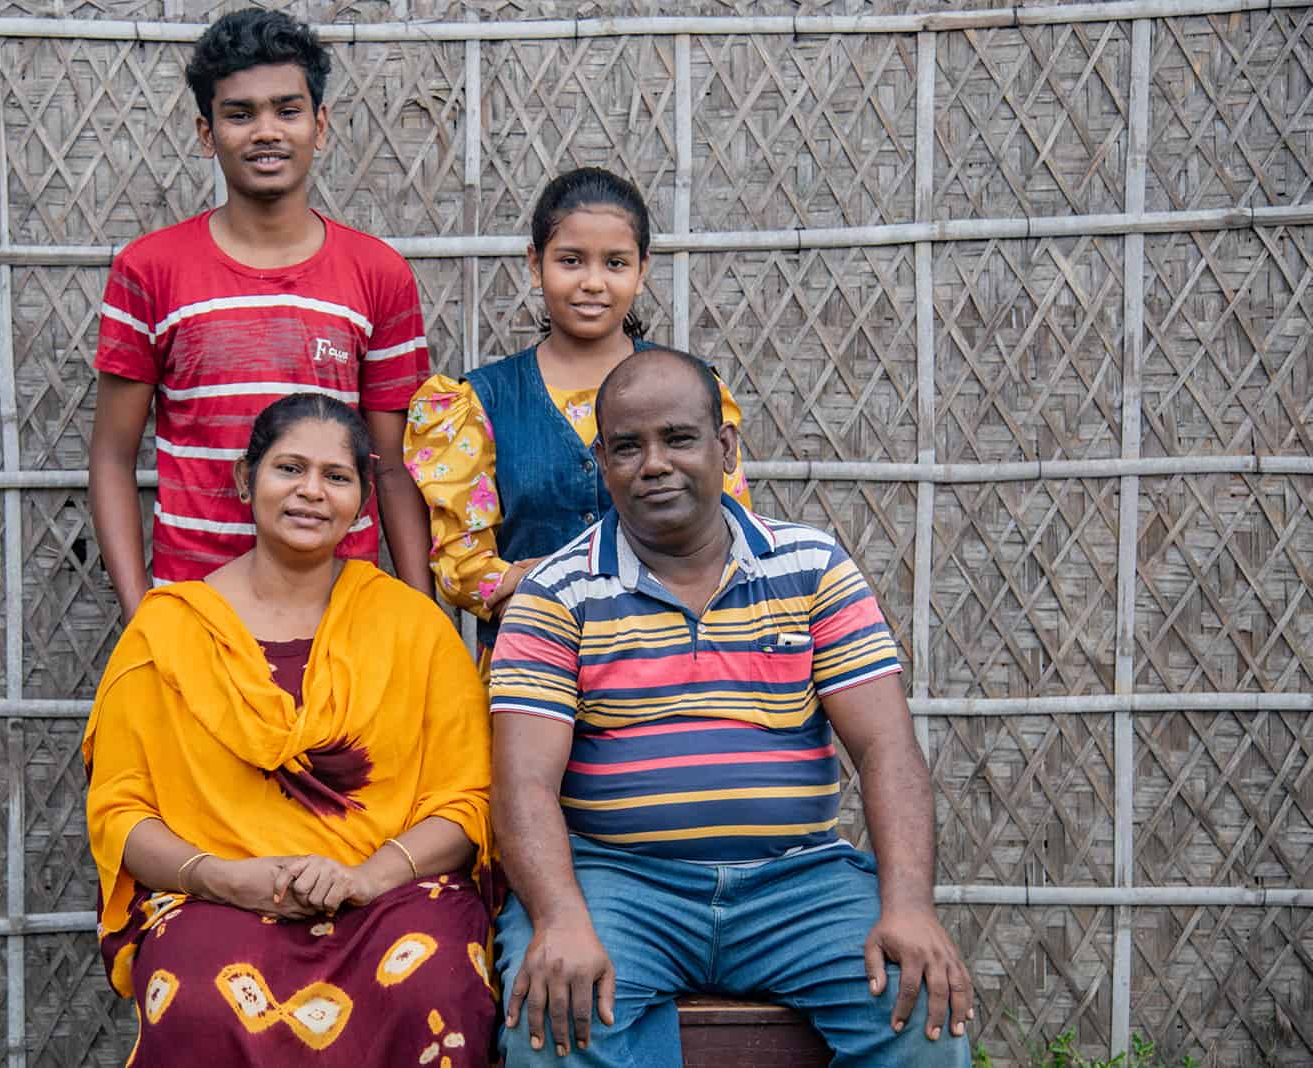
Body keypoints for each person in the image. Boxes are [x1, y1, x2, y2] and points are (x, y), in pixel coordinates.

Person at [488, 347, 973, 1067]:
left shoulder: (810, 568)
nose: (654, 463)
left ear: (725, 446)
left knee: (918, 1015)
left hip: (797, 882)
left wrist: (907, 907)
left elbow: (886, 750)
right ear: (602, 461)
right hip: (620, 885)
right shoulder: (557, 591)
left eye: (678, 438)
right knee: (555, 1028)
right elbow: (521, 782)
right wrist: (559, 917)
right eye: (628, 446)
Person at [83, 393, 495, 1065]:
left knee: (436, 979)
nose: (311, 492)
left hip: (390, 893)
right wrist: (225, 878)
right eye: (289, 469)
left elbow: (466, 802)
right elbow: (121, 815)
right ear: (247, 480)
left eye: (336, 477)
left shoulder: (415, 630)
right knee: (196, 996)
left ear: (363, 500)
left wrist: (366, 877)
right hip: (215, 895)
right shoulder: (167, 632)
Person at [89, 8, 433, 626]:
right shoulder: (149, 270)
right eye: (240, 114)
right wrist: (144, 615)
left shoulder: (379, 274)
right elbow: (113, 457)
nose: (266, 131)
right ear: (206, 131)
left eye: (287, 110)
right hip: (195, 615)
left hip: (341, 619)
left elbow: (392, 466)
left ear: (320, 124)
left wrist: (420, 617)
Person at [404, 167, 751, 657]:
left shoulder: (694, 390)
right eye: (570, 260)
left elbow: (730, 525)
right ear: (534, 263)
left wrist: (544, 578)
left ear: (643, 268)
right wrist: (564, 593)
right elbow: (462, 564)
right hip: (530, 666)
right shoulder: (477, 404)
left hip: (669, 663)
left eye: (615, 263)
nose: (593, 282)